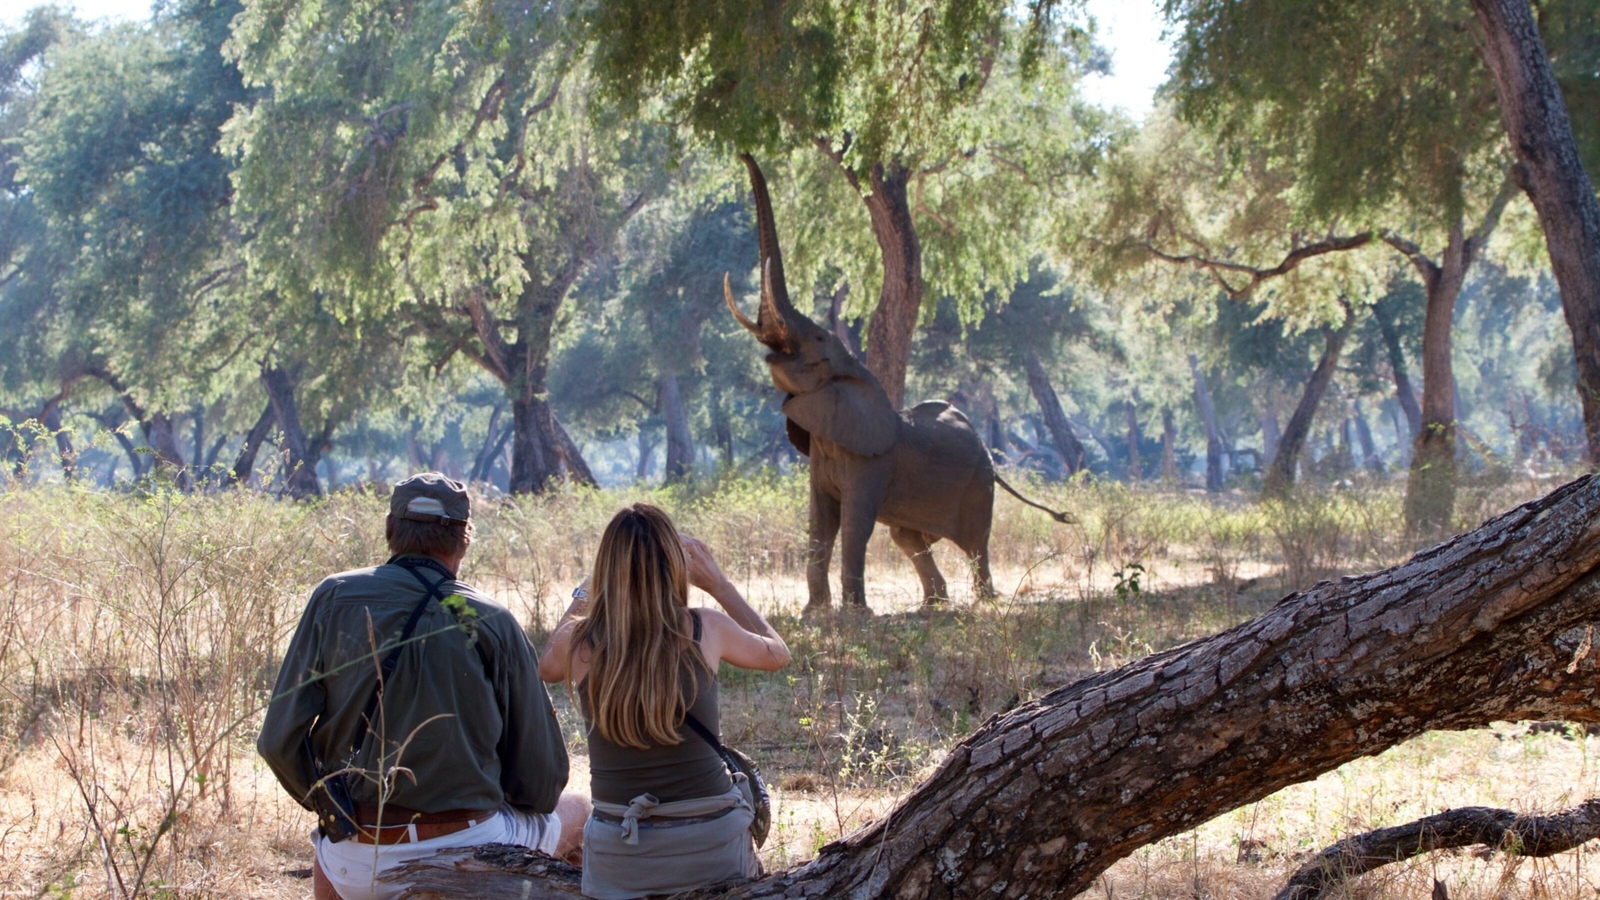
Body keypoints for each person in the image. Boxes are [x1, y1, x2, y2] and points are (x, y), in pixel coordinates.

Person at [258, 472, 589, 900]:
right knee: (579, 810)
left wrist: (335, 810)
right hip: (470, 850)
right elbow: (543, 785)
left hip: (354, 860)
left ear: (390, 529)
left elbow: (276, 743)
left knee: (327, 849)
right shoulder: (492, 620)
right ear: (463, 539)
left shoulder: (332, 596)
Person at [539, 503, 790, 900]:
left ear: (607, 568)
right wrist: (721, 585)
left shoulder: (580, 640)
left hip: (620, 852)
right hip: (712, 848)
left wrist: (588, 588)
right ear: (674, 565)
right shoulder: (705, 627)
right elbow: (778, 654)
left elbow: (545, 667)